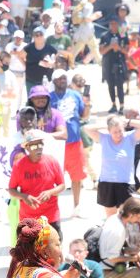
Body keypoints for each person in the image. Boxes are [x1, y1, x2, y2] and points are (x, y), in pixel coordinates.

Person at [84, 115, 140, 216]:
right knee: (111, 217)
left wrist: (127, 121)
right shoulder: (104, 138)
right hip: (107, 182)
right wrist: (106, 124)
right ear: (109, 131)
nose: (118, 134)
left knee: (127, 216)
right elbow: (86, 128)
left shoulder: (130, 137)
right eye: (115, 132)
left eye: (120, 131)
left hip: (126, 183)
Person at [8, 129, 66, 238]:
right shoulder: (19, 165)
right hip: (28, 219)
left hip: (50, 217)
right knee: (28, 253)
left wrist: (50, 192)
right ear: (27, 148)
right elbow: (11, 190)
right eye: (34, 146)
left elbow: (62, 185)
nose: (38, 148)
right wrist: (24, 196)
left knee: (52, 251)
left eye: (40, 145)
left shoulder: (52, 161)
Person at [49, 70, 90, 216]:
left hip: (74, 141)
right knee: (53, 178)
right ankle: (53, 208)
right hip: (56, 144)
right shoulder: (49, 98)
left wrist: (87, 105)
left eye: (64, 78)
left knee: (77, 176)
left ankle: (76, 206)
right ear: (53, 81)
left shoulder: (75, 95)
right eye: (59, 78)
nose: (62, 80)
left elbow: (83, 116)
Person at [100, 18, 129, 114]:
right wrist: (110, 47)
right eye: (111, 23)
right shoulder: (105, 36)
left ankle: (122, 105)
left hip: (120, 62)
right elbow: (101, 51)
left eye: (115, 24)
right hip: (108, 63)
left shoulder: (123, 35)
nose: (113, 26)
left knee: (120, 85)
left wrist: (119, 48)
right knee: (110, 85)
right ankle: (113, 104)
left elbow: (127, 50)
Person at [72, 0, 102, 64]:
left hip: (84, 30)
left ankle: (100, 62)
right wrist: (96, 16)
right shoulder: (89, 6)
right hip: (87, 31)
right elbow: (87, 19)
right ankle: (101, 62)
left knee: (94, 47)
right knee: (94, 47)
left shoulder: (85, 4)